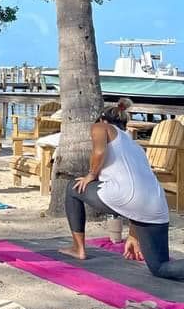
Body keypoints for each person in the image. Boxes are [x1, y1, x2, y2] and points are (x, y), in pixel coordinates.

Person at [60, 104, 184, 280]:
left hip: (125, 197)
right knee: (161, 267)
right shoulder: (135, 146)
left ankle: (78, 248)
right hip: (156, 205)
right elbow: (139, 188)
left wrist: (91, 175)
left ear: (103, 120)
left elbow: (99, 150)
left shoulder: (101, 126)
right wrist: (134, 236)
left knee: (73, 188)